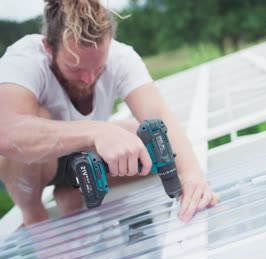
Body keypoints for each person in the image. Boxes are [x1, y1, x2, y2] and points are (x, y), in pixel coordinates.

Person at [0, 0, 219, 226]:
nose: (88, 79)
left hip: (82, 156)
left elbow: (159, 117)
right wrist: (96, 131)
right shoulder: (25, 58)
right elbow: (5, 132)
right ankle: (34, 214)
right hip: (30, 166)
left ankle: (71, 190)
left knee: (147, 141)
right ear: (48, 48)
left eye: (98, 67)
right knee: (37, 118)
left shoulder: (121, 57)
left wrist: (192, 178)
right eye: (76, 68)